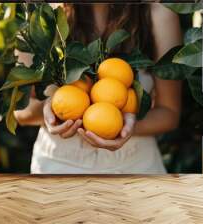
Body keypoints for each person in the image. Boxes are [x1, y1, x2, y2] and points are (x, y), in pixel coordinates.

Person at [14, 3, 182, 174]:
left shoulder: (157, 13)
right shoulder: (40, 17)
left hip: (136, 166)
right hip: (56, 165)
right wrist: (48, 110)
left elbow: (169, 113)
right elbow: (20, 111)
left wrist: (122, 127)